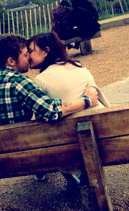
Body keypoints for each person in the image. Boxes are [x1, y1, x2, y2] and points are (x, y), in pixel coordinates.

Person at [27, 31, 110, 191]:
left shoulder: (40, 81)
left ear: (46, 50)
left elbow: (43, 118)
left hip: (69, 148)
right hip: (102, 138)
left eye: (31, 51)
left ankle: (72, 180)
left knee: (45, 129)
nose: (29, 56)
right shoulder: (80, 67)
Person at [0, 33, 98, 130]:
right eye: (25, 55)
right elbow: (51, 110)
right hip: (19, 149)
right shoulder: (17, 82)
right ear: (11, 61)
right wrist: (87, 100)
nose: (28, 58)